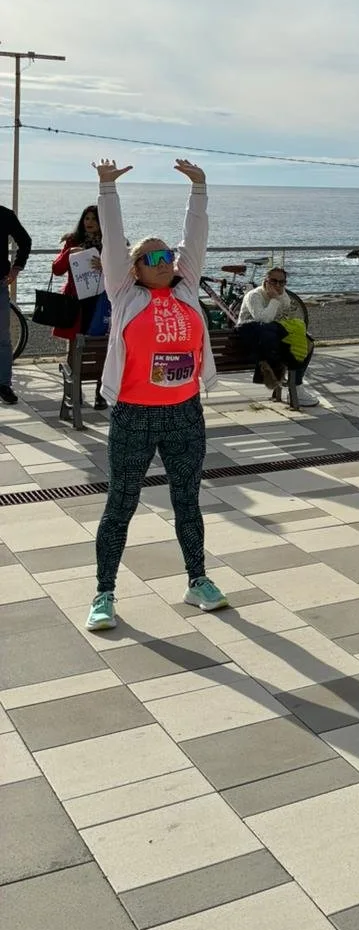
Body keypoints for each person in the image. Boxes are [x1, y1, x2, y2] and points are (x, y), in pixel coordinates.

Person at [85, 159, 229, 633]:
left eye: (166, 254)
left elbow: (195, 237)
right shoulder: (125, 294)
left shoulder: (186, 289)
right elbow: (113, 241)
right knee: (121, 503)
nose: (163, 261)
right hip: (135, 416)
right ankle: (104, 593)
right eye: (150, 257)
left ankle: (198, 580)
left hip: (185, 413)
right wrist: (107, 188)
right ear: (133, 270)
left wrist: (199, 187)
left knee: (187, 499)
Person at [51, 204, 110, 409]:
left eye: (94, 219)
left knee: (101, 348)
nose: (90, 222)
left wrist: (106, 266)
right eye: (87, 218)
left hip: (101, 302)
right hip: (76, 302)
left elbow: (126, 271)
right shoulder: (73, 241)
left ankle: (100, 393)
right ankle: (73, 392)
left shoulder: (112, 242)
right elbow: (56, 269)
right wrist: (69, 253)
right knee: (75, 347)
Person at [236, 268, 318, 406]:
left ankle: (297, 386)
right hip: (249, 345)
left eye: (282, 282)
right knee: (289, 347)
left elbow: (285, 315)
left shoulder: (282, 294)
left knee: (308, 341)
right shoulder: (254, 296)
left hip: (271, 340)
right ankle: (295, 388)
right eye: (273, 281)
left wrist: (278, 298)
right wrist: (274, 299)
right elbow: (264, 320)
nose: (278, 285)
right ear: (265, 281)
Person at [0, 201, 32, 406]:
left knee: (3, 339)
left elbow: (25, 241)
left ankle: (4, 384)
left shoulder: (4, 215)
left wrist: (16, 268)